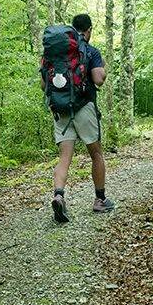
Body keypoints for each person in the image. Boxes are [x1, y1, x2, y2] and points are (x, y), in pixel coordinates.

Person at [45, 14, 114, 223]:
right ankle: (100, 200)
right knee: (96, 154)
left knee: (64, 157)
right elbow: (99, 79)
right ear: (89, 30)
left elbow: (43, 85)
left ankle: (58, 195)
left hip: (61, 109)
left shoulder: (53, 54)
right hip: (84, 108)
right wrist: (104, 65)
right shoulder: (90, 51)